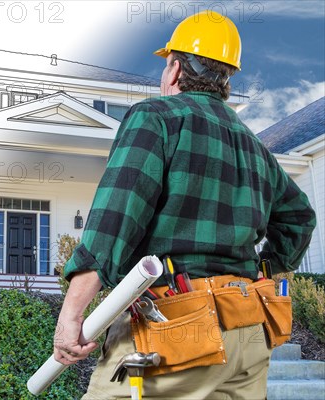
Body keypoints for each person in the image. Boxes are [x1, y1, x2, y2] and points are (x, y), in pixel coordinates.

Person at [53, 10, 316, 400]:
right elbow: (300, 219)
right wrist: (263, 270)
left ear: (175, 70)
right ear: (226, 79)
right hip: (248, 328)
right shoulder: (254, 146)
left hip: (176, 330)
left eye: (166, 67)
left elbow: (115, 220)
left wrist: (73, 312)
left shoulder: (155, 118)